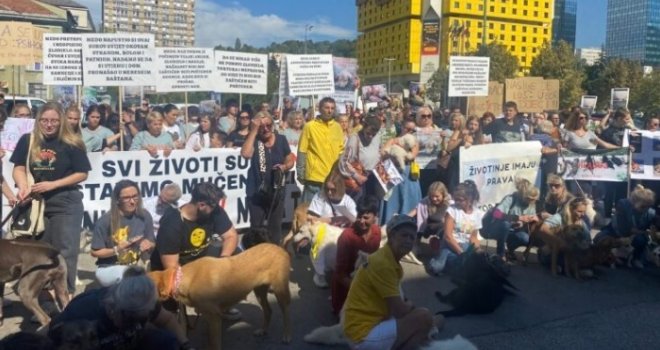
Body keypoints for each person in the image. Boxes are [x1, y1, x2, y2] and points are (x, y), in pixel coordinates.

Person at [10, 101, 91, 295]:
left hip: (65, 200)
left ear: (60, 121)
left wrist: (53, 184)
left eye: (54, 120)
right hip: (37, 202)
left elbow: (82, 173)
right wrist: (23, 186)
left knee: (65, 251)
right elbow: (18, 168)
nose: (49, 124)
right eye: (45, 120)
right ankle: (44, 300)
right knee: (39, 252)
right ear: (38, 121)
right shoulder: (28, 140)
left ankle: (66, 297)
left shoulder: (71, 142)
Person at [343, 214, 441, 350]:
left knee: (426, 321)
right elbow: (400, 310)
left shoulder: (387, 257)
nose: (408, 241)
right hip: (363, 335)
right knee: (424, 317)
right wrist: (412, 307)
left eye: (411, 237)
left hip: (362, 326)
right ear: (391, 236)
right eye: (404, 235)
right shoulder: (383, 263)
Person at [150, 182, 240, 318]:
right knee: (170, 315)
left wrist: (224, 259)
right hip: (174, 267)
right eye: (215, 205)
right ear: (201, 205)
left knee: (235, 254)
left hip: (200, 259)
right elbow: (172, 267)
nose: (218, 208)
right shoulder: (172, 223)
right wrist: (199, 288)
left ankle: (223, 304)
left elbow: (231, 236)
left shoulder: (214, 211)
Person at [48, 266, 193, 350]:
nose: (136, 322)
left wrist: (187, 347)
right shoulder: (83, 310)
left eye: (142, 318)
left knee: (166, 340)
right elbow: (50, 336)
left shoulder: (142, 299)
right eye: (131, 318)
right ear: (115, 307)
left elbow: (167, 320)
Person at [240, 111, 294, 244]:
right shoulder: (254, 139)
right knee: (256, 229)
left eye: (268, 125)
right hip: (257, 192)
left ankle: (274, 256)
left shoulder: (281, 139)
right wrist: (253, 132)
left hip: (276, 191)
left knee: (275, 229)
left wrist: (285, 167)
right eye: (261, 127)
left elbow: (290, 159)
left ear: (273, 125)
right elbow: (246, 154)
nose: (265, 129)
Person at [91, 180, 155, 287]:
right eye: (126, 198)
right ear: (117, 200)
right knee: (131, 277)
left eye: (135, 196)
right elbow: (95, 252)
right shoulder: (105, 221)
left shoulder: (144, 216)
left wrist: (149, 244)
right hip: (108, 267)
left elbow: (152, 242)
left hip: (135, 266)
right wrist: (117, 249)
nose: (132, 202)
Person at [331, 195, 382, 316]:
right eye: (359, 216)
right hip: (346, 289)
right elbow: (340, 274)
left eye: (366, 218)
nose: (361, 221)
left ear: (375, 217)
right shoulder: (347, 236)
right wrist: (360, 290)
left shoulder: (377, 232)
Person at [594, 185, 656, 269]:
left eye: (648, 206)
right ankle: (606, 257)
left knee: (641, 240)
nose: (646, 209)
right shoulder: (623, 205)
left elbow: (653, 229)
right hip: (615, 231)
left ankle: (636, 258)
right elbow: (624, 228)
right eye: (643, 206)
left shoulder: (651, 213)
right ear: (634, 201)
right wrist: (643, 232)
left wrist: (651, 232)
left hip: (636, 236)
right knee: (600, 239)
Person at [297, 97, 345, 204]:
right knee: (309, 212)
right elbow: (302, 150)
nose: (329, 111)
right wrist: (300, 172)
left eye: (332, 108)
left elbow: (341, 151)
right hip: (315, 177)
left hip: (332, 178)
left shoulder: (337, 127)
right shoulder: (309, 126)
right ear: (320, 109)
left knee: (327, 213)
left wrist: (341, 172)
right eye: (327, 107)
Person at [429, 181, 483, 274]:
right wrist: (461, 253)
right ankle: (438, 259)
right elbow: (448, 236)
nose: (457, 202)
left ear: (470, 199)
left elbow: (473, 237)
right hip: (449, 244)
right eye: (456, 199)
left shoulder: (477, 214)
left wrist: (478, 250)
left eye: (460, 200)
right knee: (436, 268)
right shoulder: (452, 210)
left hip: (466, 245)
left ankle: (453, 263)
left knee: (474, 265)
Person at [480, 179, 541, 261]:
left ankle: (509, 251)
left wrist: (528, 221)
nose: (532, 201)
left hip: (512, 231)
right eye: (530, 199)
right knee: (506, 224)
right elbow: (496, 214)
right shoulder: (511, 199)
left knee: (525, 238)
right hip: (495, 229)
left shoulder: (531, 205)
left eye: (535, 199)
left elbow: (527, 221)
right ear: (524, 196)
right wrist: (518, 218)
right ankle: (500, 254)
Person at [338, 115, 382, 200]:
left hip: (373, 178)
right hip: (359, 180)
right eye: (368, 133)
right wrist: (356, 176)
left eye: (374, 134)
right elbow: (343, 162)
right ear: (364, 127)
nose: (371, 136)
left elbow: (378, 152)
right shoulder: (354, 139)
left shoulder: (377, 137)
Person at [408, 181, 451, 251]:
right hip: (429, 228)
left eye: (437, 196)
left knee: (443, 227)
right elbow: (416, 210)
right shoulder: (426, 201)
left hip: (443, 228)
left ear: (443, 195)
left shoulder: (450, 204)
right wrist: (404, 217)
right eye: (432, 196)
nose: (434, 199)